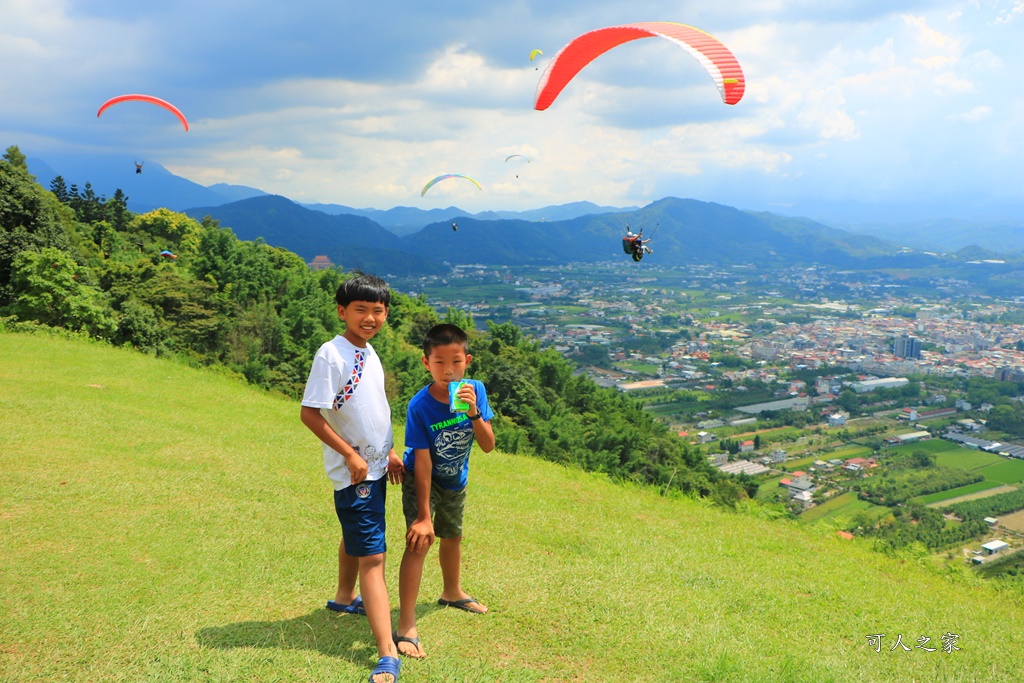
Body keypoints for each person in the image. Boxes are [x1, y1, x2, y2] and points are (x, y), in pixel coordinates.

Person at [299, 273, 405, 683]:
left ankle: (345, 598)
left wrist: (390, 451)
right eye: (360, 310)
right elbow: (310, 412)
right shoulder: (332, 354)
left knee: (357, 536)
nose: (370, 317)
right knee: (373, 558)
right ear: (342, 312)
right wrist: (349, 455)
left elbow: (373, 408)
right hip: (356, 471)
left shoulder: (369, 352)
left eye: (377, 310)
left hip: (376, 466)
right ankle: (386, 652)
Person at [394, 323, 495, 659]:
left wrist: (474, 413)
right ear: (426, 363)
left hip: (456, 478)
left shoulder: (475, 390)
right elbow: (421, 461)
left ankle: (452, 592)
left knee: (453, 536)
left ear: (467, 360)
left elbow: (488, 445)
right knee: (420, 540)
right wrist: (423, 516)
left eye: (456, 362)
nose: (448, 371)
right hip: (422, 479)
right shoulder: (420, 406)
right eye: (439, 362)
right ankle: (406, 624)